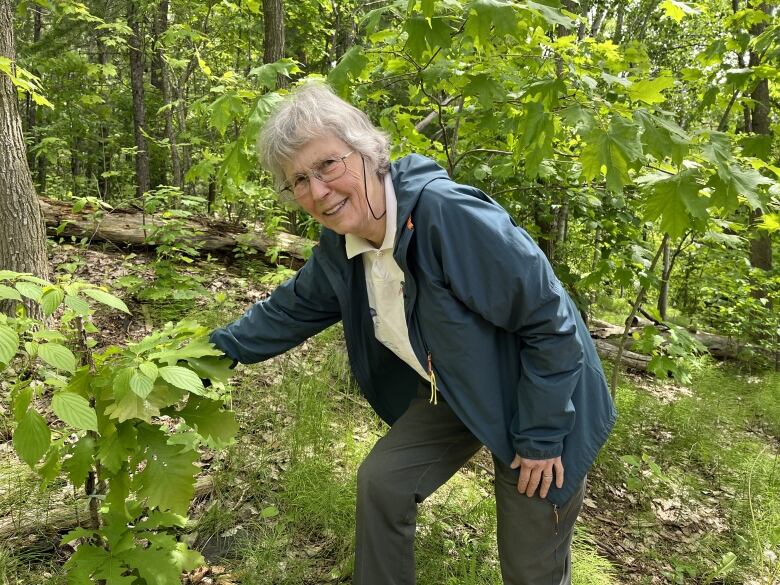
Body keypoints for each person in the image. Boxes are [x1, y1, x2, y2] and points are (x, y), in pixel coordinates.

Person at [209, 81, 616, 585]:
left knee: (531, 563)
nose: (317, 191)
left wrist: (540, 435)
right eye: (299, 180)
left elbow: (550, 324)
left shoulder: (448, 215)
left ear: (368, 152)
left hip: (543, 392)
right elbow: (291, 309)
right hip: (455, 380)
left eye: (328, 165)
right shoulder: (343, 242)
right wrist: (207, 354)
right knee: (384, 482)